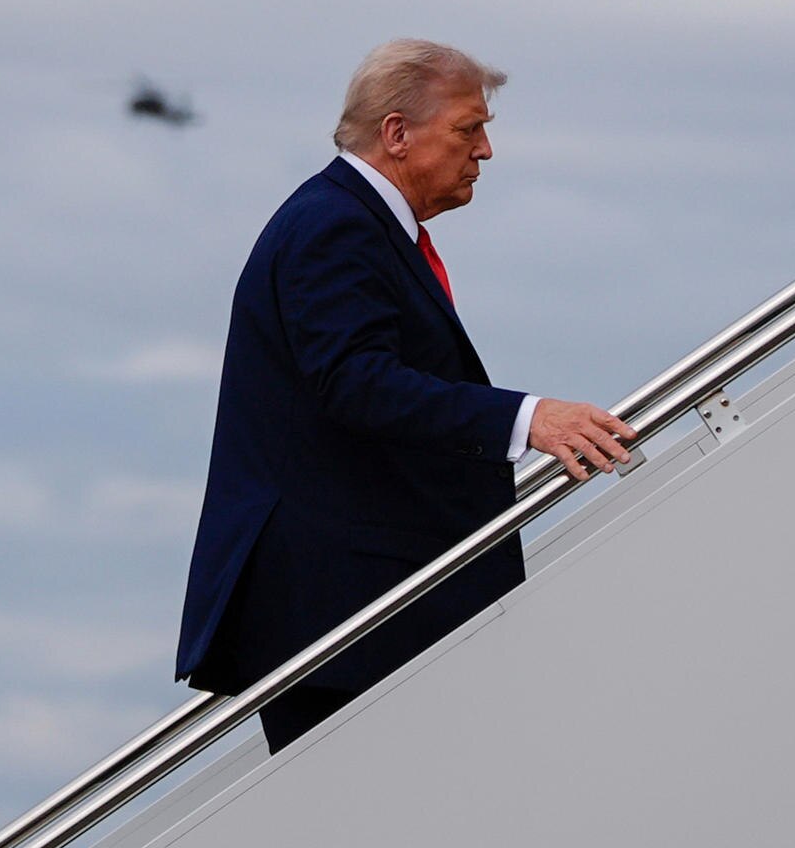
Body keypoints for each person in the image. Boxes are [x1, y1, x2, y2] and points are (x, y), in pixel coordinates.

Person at [176, 38, 636, 748]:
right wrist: (529, 419)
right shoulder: (334, 223)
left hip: (363, 610)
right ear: (397, 133)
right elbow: (355, 381)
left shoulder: (351, 222)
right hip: (345, 616)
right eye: (467, 128)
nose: (485, 150)